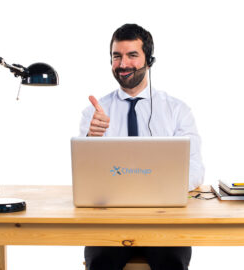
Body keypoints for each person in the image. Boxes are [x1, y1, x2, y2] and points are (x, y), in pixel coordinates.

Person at [79, 23, 205, 270]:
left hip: (165, 221)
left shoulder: (177, 110)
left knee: (171, 264)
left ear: (149, 60)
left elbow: (196, 168)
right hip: (110, 223)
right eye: (117, 56)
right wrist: (91, 138)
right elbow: (86, 177)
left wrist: (157, 189)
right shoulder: (95, 113)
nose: (123, 64)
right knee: (100, 264)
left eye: (132, 55)